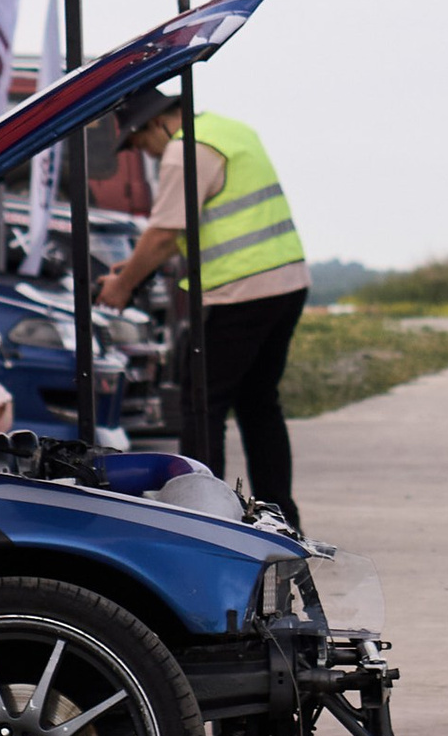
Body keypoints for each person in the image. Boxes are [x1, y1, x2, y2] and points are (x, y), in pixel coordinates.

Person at [99, 96, 309, 524]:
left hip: (238, 291)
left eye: (140, 143)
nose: (145, 153)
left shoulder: (185, 150)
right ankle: (282, 516)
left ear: (155, 124)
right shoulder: (230, 130)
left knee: (202, 403)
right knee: (259, 403)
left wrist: (122, 285)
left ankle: (205, 521)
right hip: (285, 283)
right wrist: (135, 268)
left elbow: (163, 235)